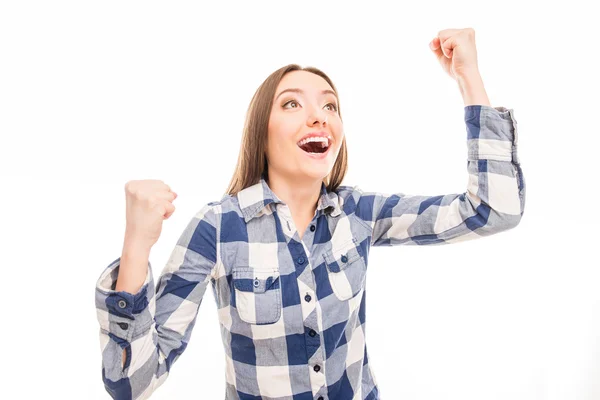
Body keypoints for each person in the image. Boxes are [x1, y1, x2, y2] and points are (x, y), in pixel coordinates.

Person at [94, 28, 526, 400]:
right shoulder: (218, 228)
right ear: (260, 131)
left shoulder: (359, 213)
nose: (318, 116)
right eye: (292, 104)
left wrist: (469, 77)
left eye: (330, 106)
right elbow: (131, 383)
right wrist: (136, 248)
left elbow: (492, 210)